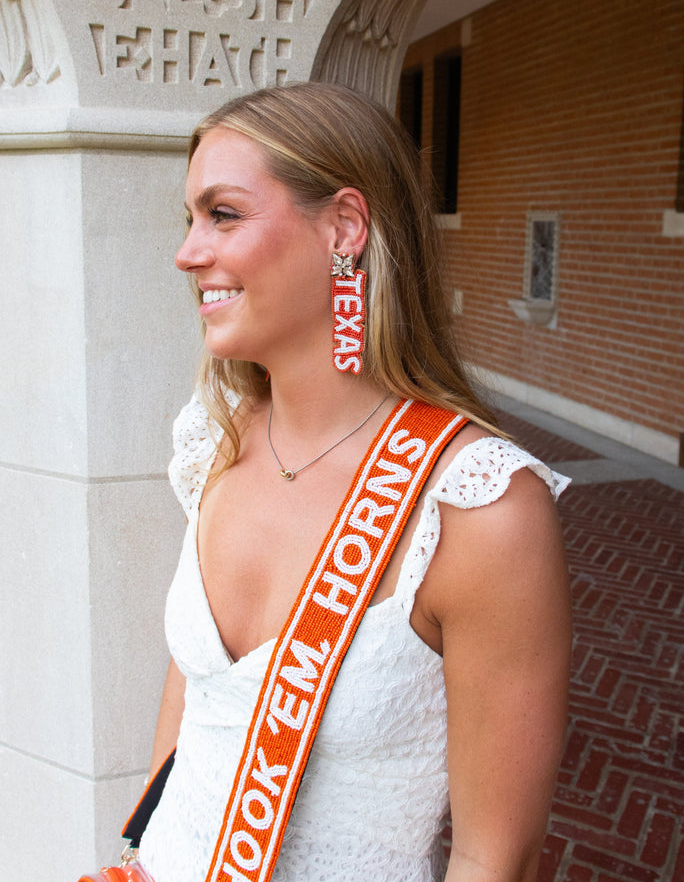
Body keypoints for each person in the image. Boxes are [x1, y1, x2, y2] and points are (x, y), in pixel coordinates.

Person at [137, 81, 572, 882]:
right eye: (190, 219)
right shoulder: (217, 441)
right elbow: (193, 700)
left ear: (344, 226)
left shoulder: (477, 508)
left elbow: (495, 856)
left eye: (222, 214)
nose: (188, 251)